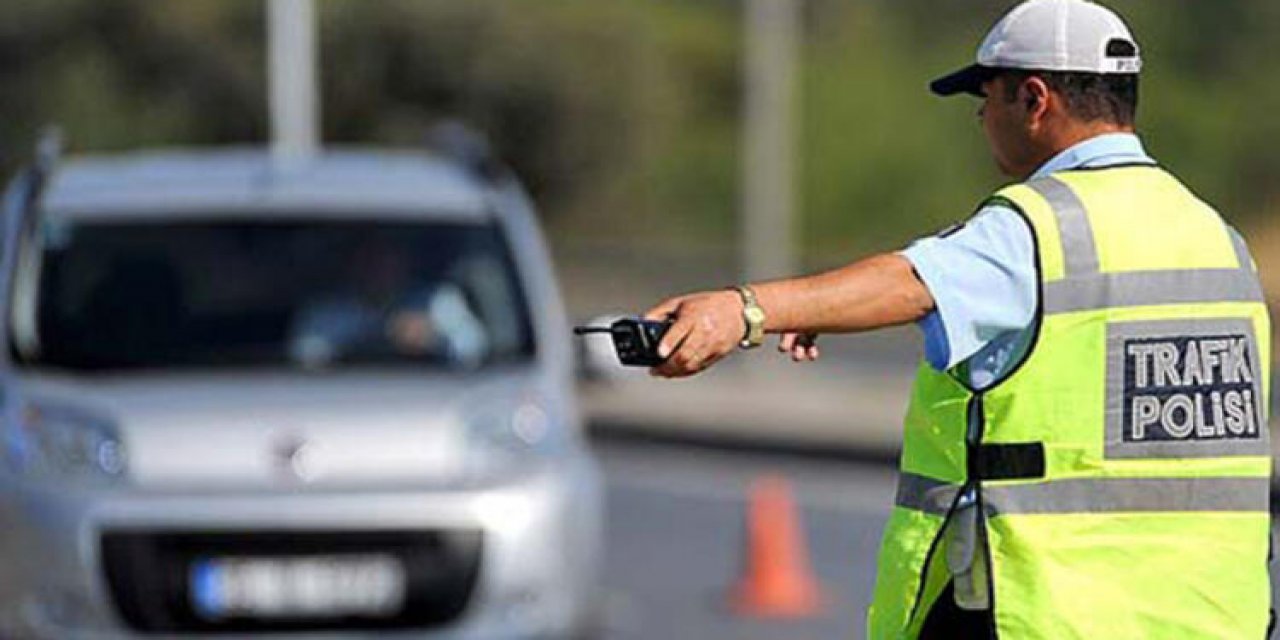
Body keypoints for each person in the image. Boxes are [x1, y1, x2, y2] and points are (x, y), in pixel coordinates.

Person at [642, 0, 1272, 637]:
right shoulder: (1217, 238)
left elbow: (910, 283)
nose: (980, 117)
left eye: (985, 96)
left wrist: (744, 309)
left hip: (1058, 617)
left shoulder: (1038, 226)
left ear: (1034, 99)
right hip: (1212, 617)